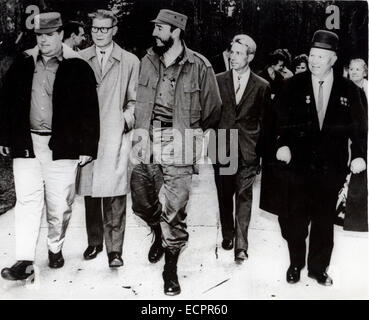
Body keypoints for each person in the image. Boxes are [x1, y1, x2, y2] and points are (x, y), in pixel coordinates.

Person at [0, 12, 99, 281]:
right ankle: (24, 259)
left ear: (60, 35)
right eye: (39, 36)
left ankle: (55, 246)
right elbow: (7, 102)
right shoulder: (23, 62)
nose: (43, 40)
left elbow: (90, 109)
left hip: (62, 146)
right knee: (27, 201)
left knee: (60, 205)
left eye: (49, 35)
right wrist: (6, 137)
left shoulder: (77, 65)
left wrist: (88, 146)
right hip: (28, 144)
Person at [130, 9, 221, 295]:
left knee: (175, 207)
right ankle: (158, 233)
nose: (155, 33)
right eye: (155, 27)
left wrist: (189, 133)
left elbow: (213, 109)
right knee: (141, 200)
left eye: (160, 28)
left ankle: (170, 268)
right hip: (147, 138)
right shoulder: (147, 60)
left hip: (180, 140)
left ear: (176, 31)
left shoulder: (199, 66)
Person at [275, 30, 366, 286]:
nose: (314, 61)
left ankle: (318, 268)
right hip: (298, 165)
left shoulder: (349, 90)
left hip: (331, 168)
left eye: (321, 56)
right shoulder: (293, 85)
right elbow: (278, 119)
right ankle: (295, 263)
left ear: (333, 59)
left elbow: (359, 127)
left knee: (324, 222)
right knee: (295, 220)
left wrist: (358, 155)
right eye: (312, 55)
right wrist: (282, 144)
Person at [76, 9, 139, 268]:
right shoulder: (79, 59)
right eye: (95, 29)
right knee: (91, 191)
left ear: (114, 30)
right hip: (87, 136)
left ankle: (115, 250)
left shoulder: (130, 61)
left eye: (104, 29)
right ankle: (94, 242)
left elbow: (135, 101)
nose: (99, 34)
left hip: (115, 134)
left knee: (115, 193)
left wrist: (125, 119)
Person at [212, 34, 270, 263]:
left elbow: (265, 123)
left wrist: (261, 154)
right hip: (223, 146)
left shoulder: (262, 86)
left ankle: (241, 245)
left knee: (244, 196)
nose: (232, 57)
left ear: (250, 57)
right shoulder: (217, 80)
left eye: (238, 53)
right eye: (231, 52)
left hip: (248, 149)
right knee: (225, 195)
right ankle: (228, 233)